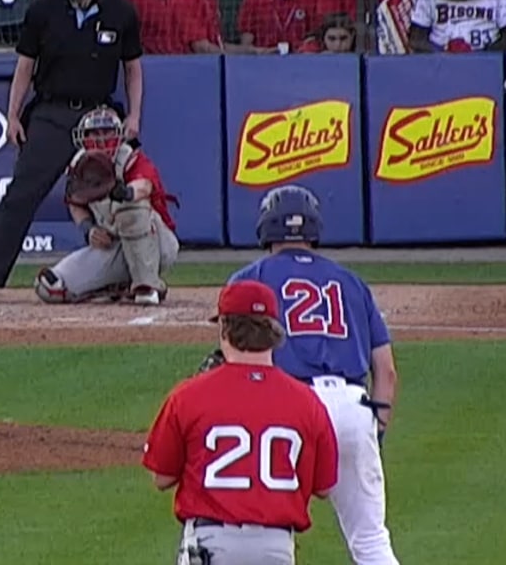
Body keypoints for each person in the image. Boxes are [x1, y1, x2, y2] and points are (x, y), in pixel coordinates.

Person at [221, 186, 401, 565]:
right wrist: (374, 431)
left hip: (290, 409)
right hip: (353, 407)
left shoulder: (249, 279)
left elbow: (240, 361)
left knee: (266, 532)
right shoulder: (352, 283)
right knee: (371, 540)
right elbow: (386, 371)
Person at [0, 0, 143, 305]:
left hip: (100, 117)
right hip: (53, 111)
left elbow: (133, 68)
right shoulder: (43, 10)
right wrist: (13, 114)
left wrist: (134, 115)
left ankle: (136, 276)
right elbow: (25, 67)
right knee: (21, 194)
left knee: (118, 193)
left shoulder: (120, 11)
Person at [144, 279, 339, 565]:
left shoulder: (189, 395)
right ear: (273, 331)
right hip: (276, 548)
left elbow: (162, 478)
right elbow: (323, 487)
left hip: (212, 544)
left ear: (224, 328)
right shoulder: (307, 402)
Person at [35, 107, 177, 306]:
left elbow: (144, 187)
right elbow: (76, 203)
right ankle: (115, 287)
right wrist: (88, 229)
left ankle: (147, 286)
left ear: (118, 134)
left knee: (129, 207)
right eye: (94, 133)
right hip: (114, 245)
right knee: (51, 287)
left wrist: (125, 192)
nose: (100, 139)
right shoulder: (80, 164)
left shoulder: (130, 159)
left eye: (106, 132)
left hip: (157, 243)